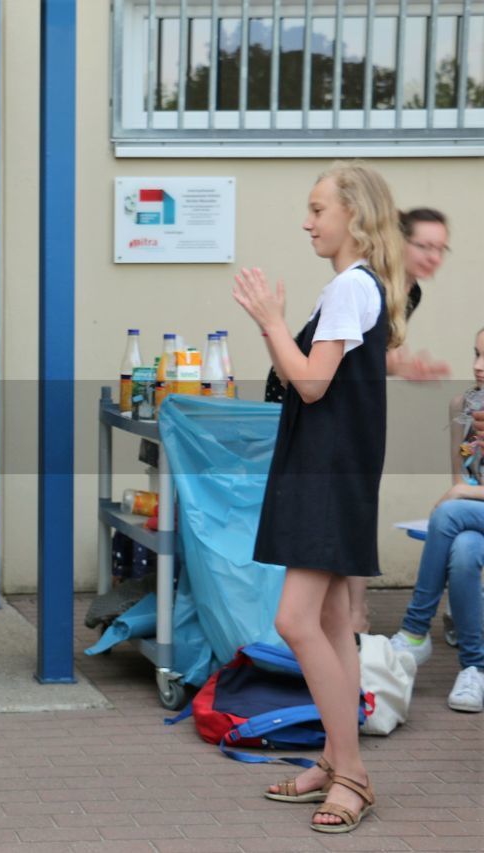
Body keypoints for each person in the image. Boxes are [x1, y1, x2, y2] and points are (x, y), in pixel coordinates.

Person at [233, 160, 406, 833]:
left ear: (354, 217)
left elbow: (309, 382)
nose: (307, 221)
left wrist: (272, 320)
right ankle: (337, 760)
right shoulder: (351, 289)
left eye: (317, 209)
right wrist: (273, 324)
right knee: (333, 623)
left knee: (297, 621)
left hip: (328, 476)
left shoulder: (348, 290)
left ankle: (353, 776)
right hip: (326, 470)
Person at [264, 207, 453, 634]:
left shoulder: (409, 291)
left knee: (343, 509)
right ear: (397, 240)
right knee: (317, 515)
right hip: (304, 395)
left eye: (441, 249)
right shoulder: (363, 283)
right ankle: (341, 617)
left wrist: (400, 366)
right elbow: (328, 362)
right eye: (423, 245)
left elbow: (363, 354)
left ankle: (350, 615)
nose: (432, 257)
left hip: (334, 400)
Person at [388, 327, 484, 713]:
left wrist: (462, 495)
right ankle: (475, 668)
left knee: (447, 512)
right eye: (476, 354)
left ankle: (414, 628)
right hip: (475, 517)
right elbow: (460, 478)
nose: (478, 367)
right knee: (461, 551)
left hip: (467, 509)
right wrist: (464, 493)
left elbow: (459, 492)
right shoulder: (464, 405)